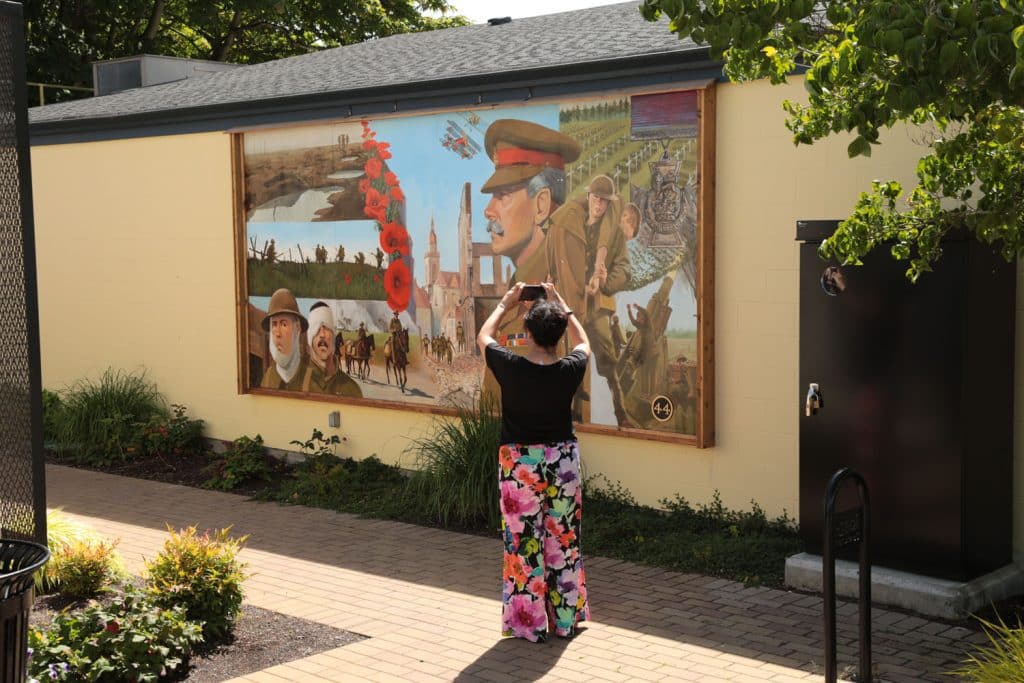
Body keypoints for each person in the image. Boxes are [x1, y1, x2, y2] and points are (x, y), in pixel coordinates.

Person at [476, 281, 591, 643]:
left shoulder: (510, 366)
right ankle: (565, 620)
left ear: (526, 333)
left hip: (520, 465)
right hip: (562, 462)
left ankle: (529, 624)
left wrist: (507, 303)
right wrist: (561, 304)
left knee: (523, 544)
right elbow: (584, 343)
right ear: (558, 334)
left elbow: (484, 335)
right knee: (564, 540)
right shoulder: (570, 368)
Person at [479, 119, 581, 399]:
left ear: (541, 205)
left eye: (503, 195)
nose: (489, 210)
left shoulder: (558, 295)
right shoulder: (524, 289)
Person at [547, 175, 632, 426]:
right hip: (572, 304)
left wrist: (604, 282)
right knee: (571, 359)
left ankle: (621, 413)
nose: (599, 205)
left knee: (608, 361)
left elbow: (625, 270)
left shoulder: (614, 234)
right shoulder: (568, 226)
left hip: (597, 307)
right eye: (596, 199)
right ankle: (571, 412)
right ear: (589, 197)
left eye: (604, 202)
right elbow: (554, 262)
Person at [301, 301, 362, 397]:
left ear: (333, 335)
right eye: (316, 330)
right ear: (310, 339)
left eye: (326, 328)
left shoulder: (352, 389)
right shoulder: (297, 383)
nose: (322, 335)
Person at [260, 288, 310, 390]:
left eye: (283, 324)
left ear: (297, 329)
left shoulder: (312, 379)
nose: (278, 333)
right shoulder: (267, 379)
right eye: (274, 324)